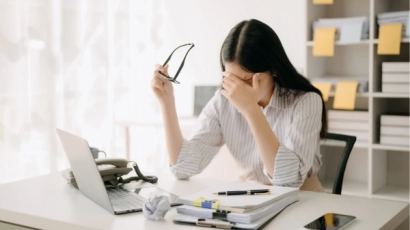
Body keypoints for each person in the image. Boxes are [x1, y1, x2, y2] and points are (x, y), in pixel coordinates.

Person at [150, 19, 327, 192]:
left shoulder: (307, 101)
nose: (239, 90)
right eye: (232, 80)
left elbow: (288, 181)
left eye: (248, 80)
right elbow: (183, 168)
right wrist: (167, 102)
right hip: (250, 196)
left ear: (274, 69)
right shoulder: (223, 101)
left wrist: (251, 109)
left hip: (302, 197)